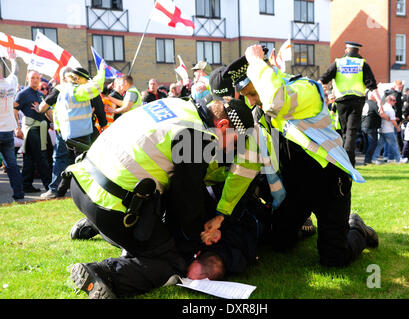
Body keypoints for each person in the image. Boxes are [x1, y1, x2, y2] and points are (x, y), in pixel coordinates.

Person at [68, 96, 259, 298]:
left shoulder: (177, 105)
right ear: (223, 125)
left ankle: (97, 225)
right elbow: (185, 203)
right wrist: (201, 234)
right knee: (172, 262)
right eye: (234, 141)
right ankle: (104, 273)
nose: (229, 150)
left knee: (151, 227)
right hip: (111, 207)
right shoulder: (199, 136)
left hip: (82, 183)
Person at [219, 44, 378, 268]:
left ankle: (356, 227)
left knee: (334, 259)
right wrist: (223, 211)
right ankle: (310, 226)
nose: (252, 101)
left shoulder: (305, 88)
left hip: (330, 183)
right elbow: (246, 166)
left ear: (267, 75)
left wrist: (256, 62)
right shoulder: (260, 115)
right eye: (246, 96)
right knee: (279, 242)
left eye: (253, 93)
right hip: (298, 189)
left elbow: (276, 102)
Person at [318, 41, 383, 166]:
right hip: (357, 101)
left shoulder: (338, 63)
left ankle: (345, 161)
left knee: (344, 132)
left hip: (341, 101)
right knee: (351, 132)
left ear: (346, 50)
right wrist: (380, 103)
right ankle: (349, 162)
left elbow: (322, 80)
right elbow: (372, 85)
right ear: (358, 51)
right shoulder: (362, 63)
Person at [36, 67, 72, 199]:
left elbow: (42, 107)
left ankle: (54, 189)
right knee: (77, 160)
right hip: (82, 130)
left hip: (64, 130)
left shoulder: (60, 89)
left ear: (62, 77)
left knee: (60, 158)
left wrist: (41, 108)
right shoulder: (82, 89)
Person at [13, 70, 51, 193]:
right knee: (41, 157)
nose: (35, 80)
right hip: (31, 129)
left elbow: (47, 110)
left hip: (42, 128)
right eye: (32, 78)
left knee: (29, 158)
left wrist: (54, 122)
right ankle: (49, 186)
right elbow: (13, 109)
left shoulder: (40, 94)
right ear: (28, 79)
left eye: (37, 78)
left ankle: (26, 185)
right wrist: (16, 128)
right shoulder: (22, 94)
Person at [0, 50, 24, 200]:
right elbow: (15, 71)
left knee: (11, 164)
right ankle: (19, 193)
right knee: (12, 164)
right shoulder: (10, 83)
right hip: (8, 131)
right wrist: (13, 60)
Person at [371, 95, 408, 164]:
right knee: (394, 145)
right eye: (393, 100)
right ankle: (398, 159)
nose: (395, 102)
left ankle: (374, 158)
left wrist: (393, 119)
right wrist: (397, 127)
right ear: (389, 101)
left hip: (382, 129)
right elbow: (393, 121)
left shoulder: (383, 107)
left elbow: (387, 117)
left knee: (380, 145)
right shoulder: (390, 109)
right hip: (388, 130)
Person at [361, 91, 382, 165]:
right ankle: (367, 160)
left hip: (364, 125)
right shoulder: (373, 104)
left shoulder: (365, 102)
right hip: (370, 126)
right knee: (373, 143)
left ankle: (367, 160)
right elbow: (380, 113)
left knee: (367, 144)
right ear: (373, 96)